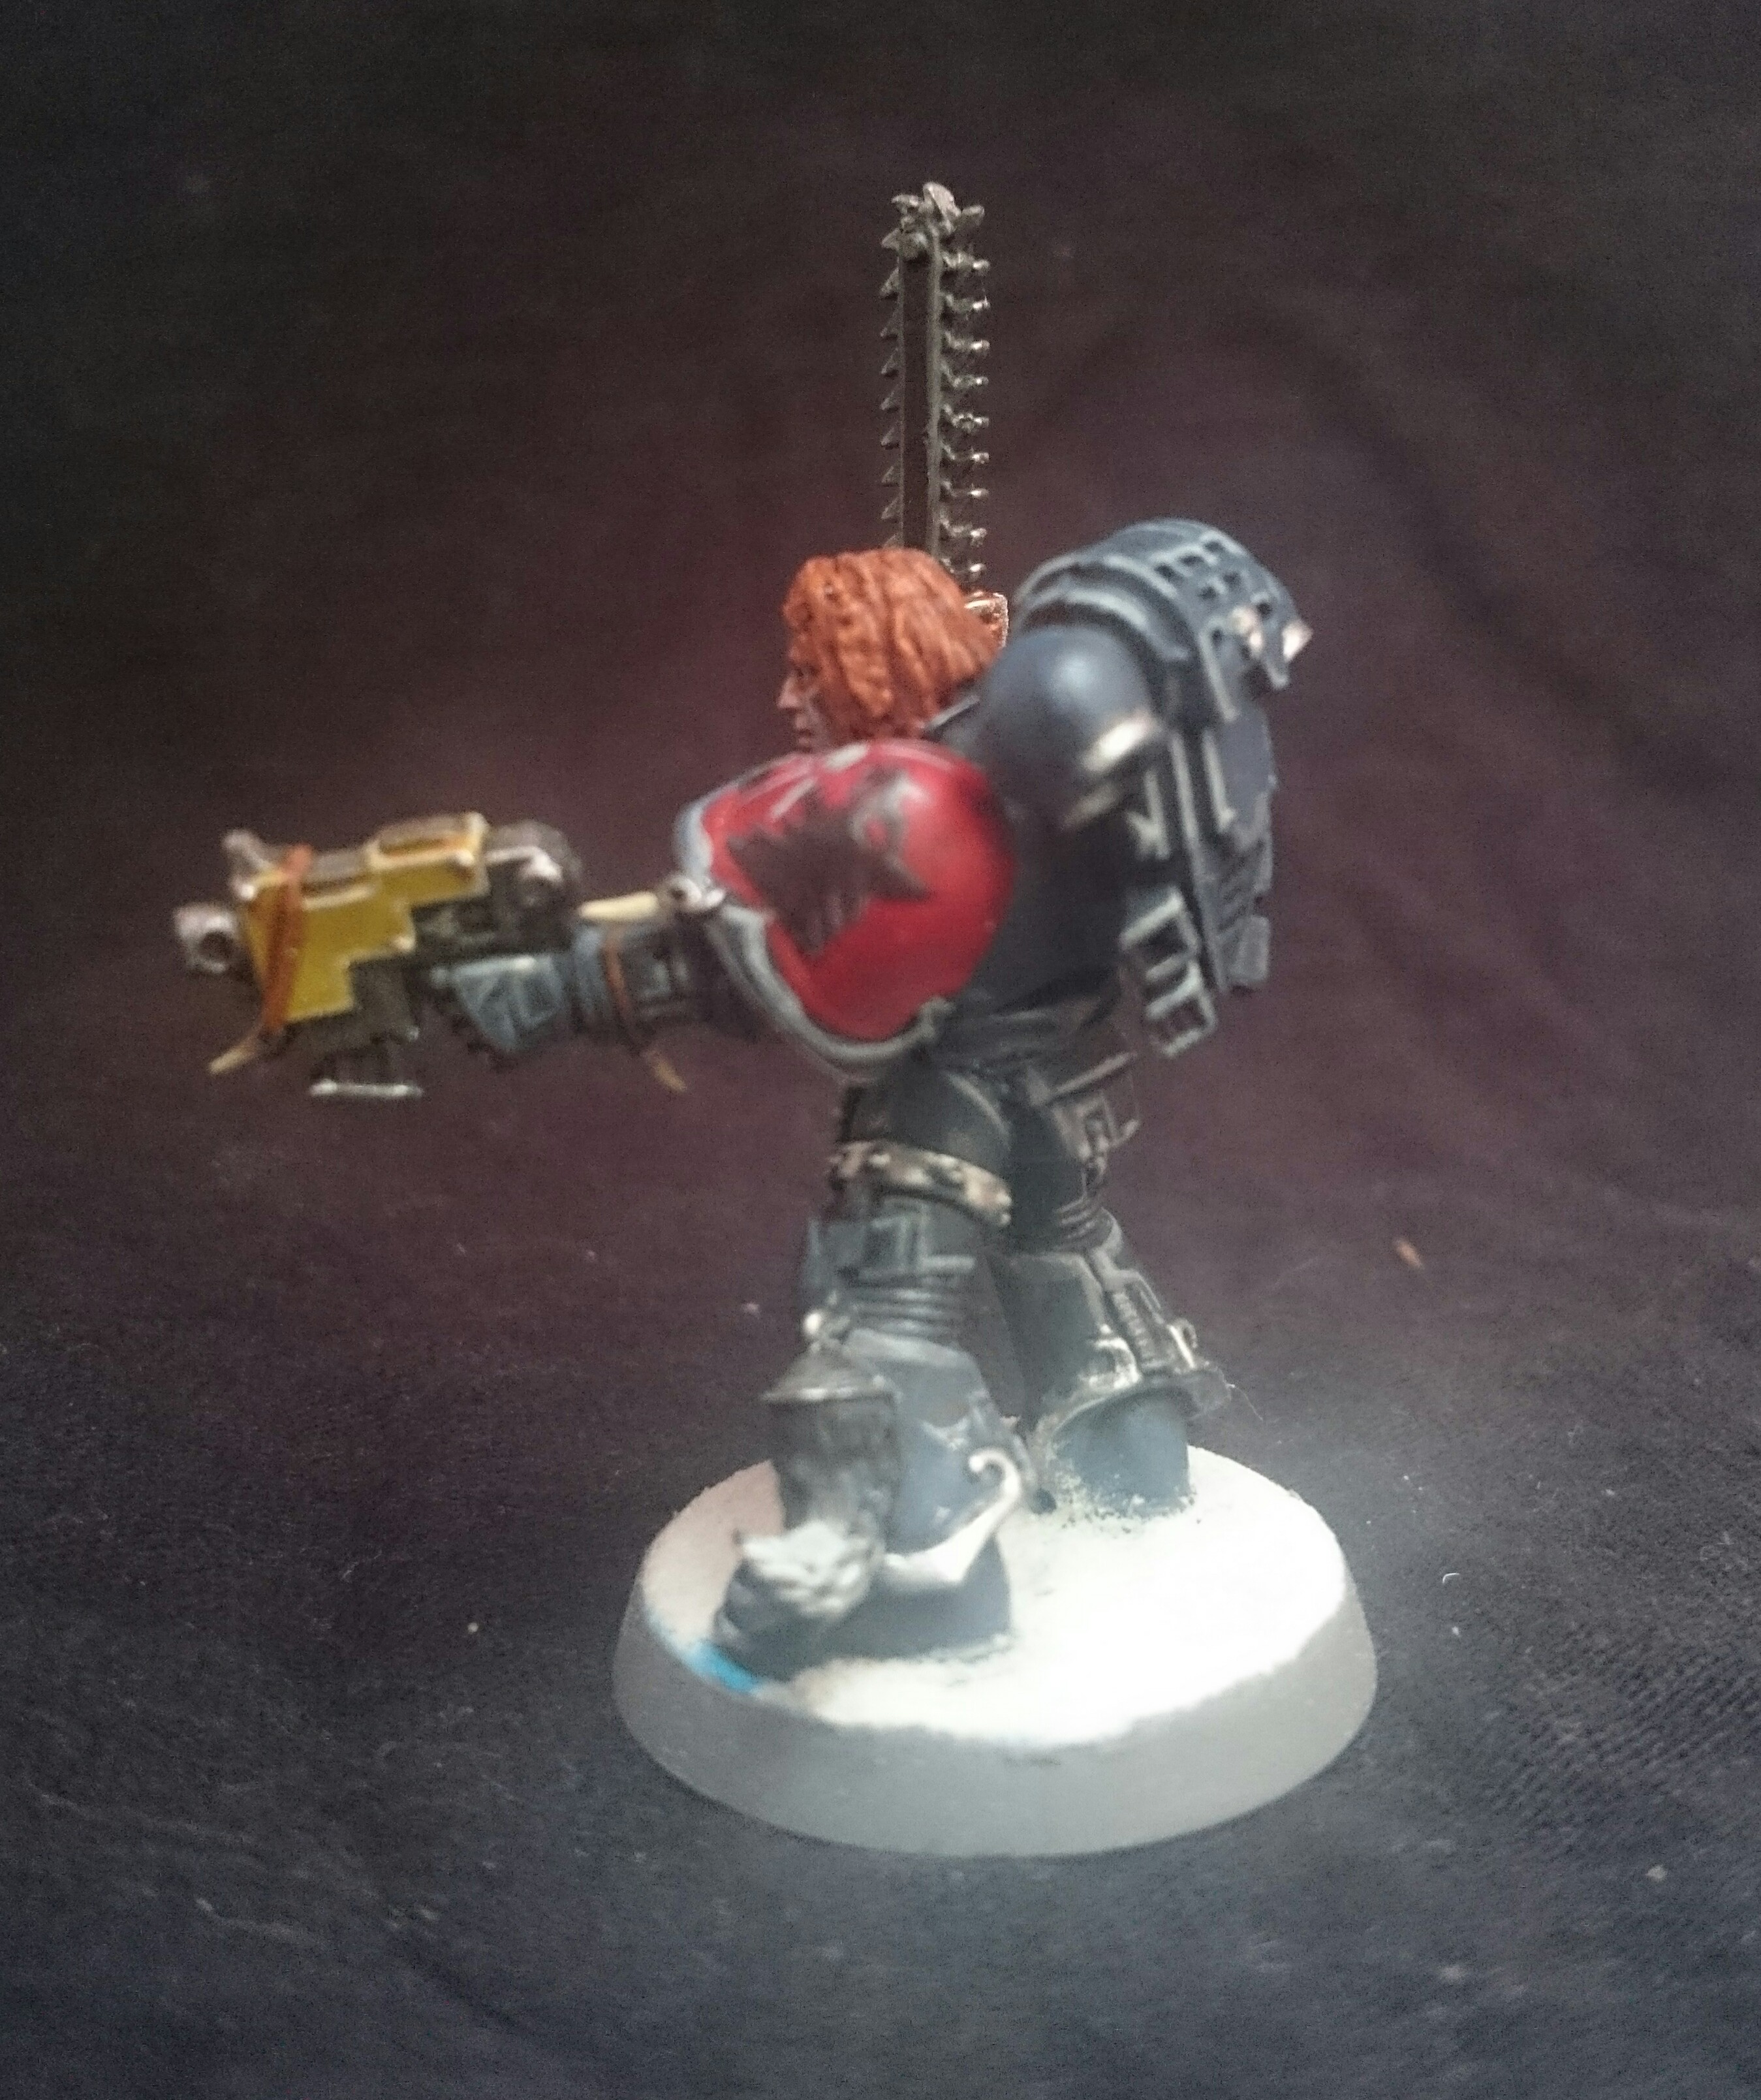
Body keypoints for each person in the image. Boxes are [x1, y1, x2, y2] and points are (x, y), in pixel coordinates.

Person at [413, 521, 1307, 1673]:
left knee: (879, 1315)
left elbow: (743, 966)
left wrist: (559, 991)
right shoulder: (1046, 790)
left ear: (869, 667)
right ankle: (1133, 1471)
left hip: (950, 1103)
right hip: (1071, 1078)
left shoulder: (916, 814)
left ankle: (918, 1574)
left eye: (807, 667)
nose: (788, 695)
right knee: (1068, 1250)